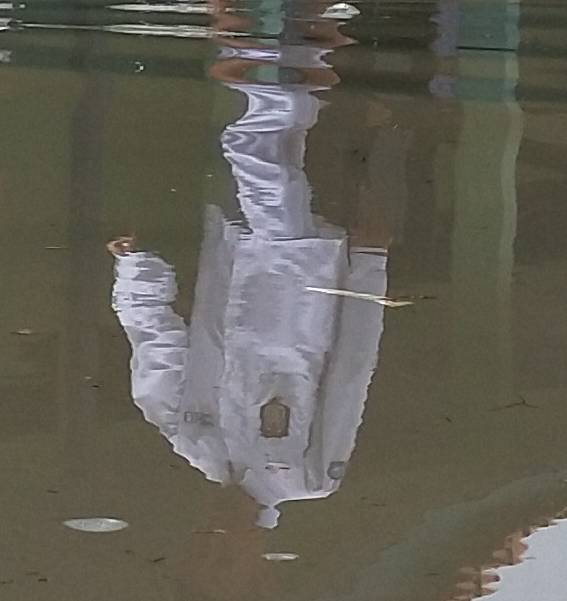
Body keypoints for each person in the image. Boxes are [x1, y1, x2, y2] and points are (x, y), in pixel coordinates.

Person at [107, 49, 385, 528]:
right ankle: (256, 42)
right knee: (255, 154)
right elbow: (351, 372)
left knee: (278, 154)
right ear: (260, 577)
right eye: (224, 564)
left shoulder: (193, 441)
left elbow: (154, 342)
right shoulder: (307, 476)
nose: (216, 544)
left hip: (235, 257)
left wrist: (134, 267)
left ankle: (301, 36)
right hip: (303, 283)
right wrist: (370, 265)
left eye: (202, 555)